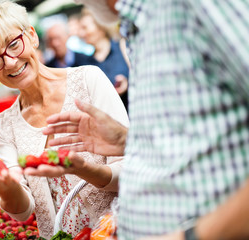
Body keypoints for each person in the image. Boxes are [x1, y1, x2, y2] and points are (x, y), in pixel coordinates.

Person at [29, 0, 249, 239]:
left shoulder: (193, 7)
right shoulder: (137, 28)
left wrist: (190, 235)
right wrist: (128, 140)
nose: (78, 1)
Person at [0, 1, 129, 239]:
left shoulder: (89, 80)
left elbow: (132, 169)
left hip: (119, 230)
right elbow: (22, 213)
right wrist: (9, 189)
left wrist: (84, 169)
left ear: (31, 36)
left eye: (13, 44)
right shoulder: (4, 126)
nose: (9, 61)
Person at [78, 8, 129, 111]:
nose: (81, 34)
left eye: (85, 28)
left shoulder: (122, 47)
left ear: (100, 27)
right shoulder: (85, 64)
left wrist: (127, 82)